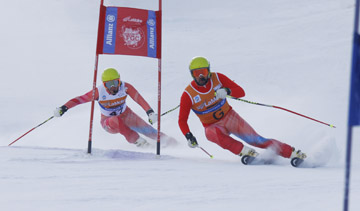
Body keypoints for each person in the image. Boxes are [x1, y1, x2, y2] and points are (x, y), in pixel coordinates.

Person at [178, 56, 306, 161]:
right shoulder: (188, 94)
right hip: (212, 126)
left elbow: (241, 92)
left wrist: (227, 91)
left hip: (229, 117)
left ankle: (293, 153)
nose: (201, 77)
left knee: (256, 140)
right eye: (197, 73)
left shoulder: (218, 78)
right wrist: (188, 136)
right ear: (192, 75)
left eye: (204, 72)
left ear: (209, 71)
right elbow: (182, 120)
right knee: (210, 134)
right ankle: (245, 152)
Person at [54, 68, 177, 148]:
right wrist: (64, 108)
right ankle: (140, 142)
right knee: (116, 119)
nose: (113, 87)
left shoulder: (126, 87)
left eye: (116, 83)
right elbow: (79, 99)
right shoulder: (99, 92)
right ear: (104, 84)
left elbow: (138, 99)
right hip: (108, 122)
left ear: (119, 81)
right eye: (109, 84)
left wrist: (150, 112)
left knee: (149, 131)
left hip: (127, 115)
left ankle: (174, 144)